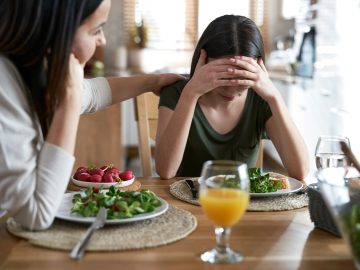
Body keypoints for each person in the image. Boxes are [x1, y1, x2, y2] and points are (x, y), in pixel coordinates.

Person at [0, 0, 182, 230]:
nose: (102, 40)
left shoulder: (29, 67)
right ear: (58, 30)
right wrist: (70, 98)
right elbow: (36, 215)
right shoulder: (4, 86)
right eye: (96, 30)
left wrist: (152, 82)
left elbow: (94, 93)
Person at [155, 15, 309, 180]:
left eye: (241, 80)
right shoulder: (177, 94)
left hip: (242, 203)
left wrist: (275, 97)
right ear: (203, 61)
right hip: (185, 202)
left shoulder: (261, 99)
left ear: (258, 68)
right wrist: (190, 94)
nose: (231, 90)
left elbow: (300, 171)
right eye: (222, 77)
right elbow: (166, 170)